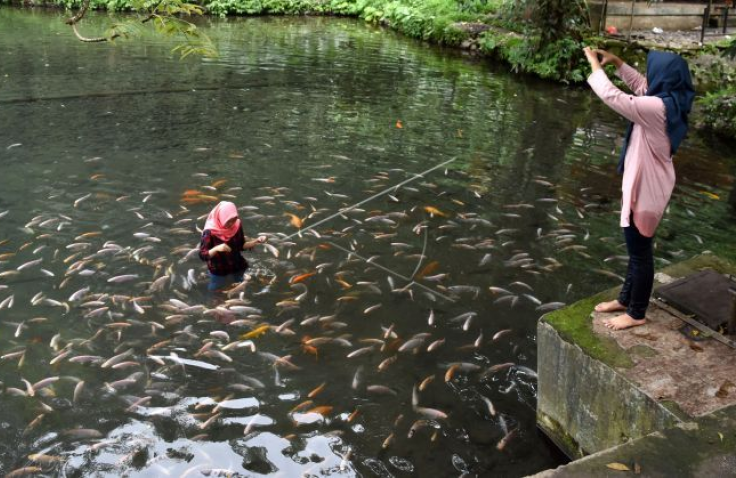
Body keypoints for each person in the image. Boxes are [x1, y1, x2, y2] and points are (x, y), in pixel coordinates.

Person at [583, 47, 695, 330]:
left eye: (652, 71)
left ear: (663, 77)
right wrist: (618, 63)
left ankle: (636, 312)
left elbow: (614, 97)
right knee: (637, 249)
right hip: (646, 184)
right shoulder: (669, 98)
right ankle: (625, 300)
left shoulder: (657, 108)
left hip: (646, 192)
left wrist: (595, 66)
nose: (648, 77)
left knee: (640, 254)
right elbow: (640, 85)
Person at [199, 201, 267, 292]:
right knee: (214, 289)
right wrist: (217, 248)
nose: (231, 224)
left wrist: (257, 241)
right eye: (228, 221)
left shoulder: (237, 225)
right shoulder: (209, 232)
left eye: (234, 219)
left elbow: (241, 246)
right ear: (221, 218)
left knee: (243, 285)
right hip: (218, 268)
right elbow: (203, 255)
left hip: (237, 264)